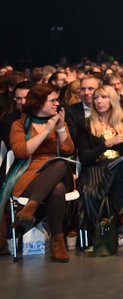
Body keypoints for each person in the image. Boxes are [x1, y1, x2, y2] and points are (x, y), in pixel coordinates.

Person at [4, 83, 76, 262]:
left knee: (59, 163)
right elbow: (22, 152)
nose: (56, 104)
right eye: (52, 100)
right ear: (38, 103)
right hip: (30, 175)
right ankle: (58, 242)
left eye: (57, 100)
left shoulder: (59, 120)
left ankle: (30, 209)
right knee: (56, 189)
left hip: (61, 170)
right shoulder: (19, 125)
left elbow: (68, 150)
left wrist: (59, 128)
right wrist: (46, 130)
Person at [76, 84, 123, 249]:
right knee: (91, 190)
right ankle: (108, 233)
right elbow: (85, 157)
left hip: (119, 167)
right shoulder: (85, 124)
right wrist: (107, 144)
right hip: (96, 169)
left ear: (113, 100)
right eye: (96, 98)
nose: (98, 101)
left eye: (103, 97)